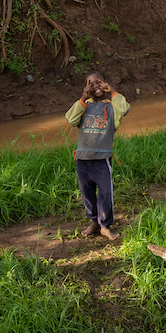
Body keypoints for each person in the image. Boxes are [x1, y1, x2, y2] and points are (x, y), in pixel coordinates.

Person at [65, 72, 130, 240]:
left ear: (105, 83)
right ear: (86, 87)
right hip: (83, 159)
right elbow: (71, 119)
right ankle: (94, 221)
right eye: (90, 83)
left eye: (99, 82)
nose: (95, 86)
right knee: (86, 193)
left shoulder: (111, 107)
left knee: (105, 193)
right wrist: (82, 98)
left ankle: (105, 225)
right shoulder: (83, 105)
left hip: (102, 159)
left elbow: (124, 107)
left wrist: (112, 91)